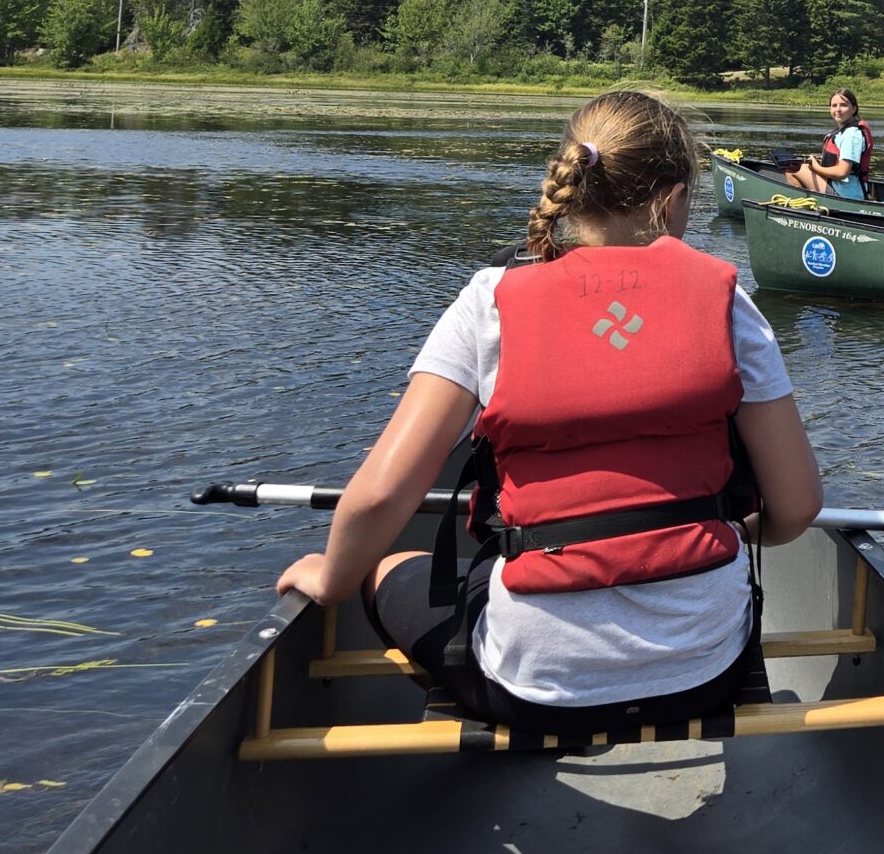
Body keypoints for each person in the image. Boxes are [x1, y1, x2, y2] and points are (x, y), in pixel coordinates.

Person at [273, 90, 824, 732]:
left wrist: (334, 577)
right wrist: (726, 532)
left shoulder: (491, 301)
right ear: (673, 201)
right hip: (706, 672)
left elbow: (376, 500)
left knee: (388, 566)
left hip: (534, 685)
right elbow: (796, 507)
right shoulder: (729, 304)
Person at [785, 88, 871, 199]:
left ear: (853, 109)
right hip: (839, 186)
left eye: (843, 105)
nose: (838, 110)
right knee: (800, 165)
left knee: (793, 170)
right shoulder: (843, 132)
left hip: (846, 194)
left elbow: (842, 172)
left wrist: (816, 168)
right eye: (834, 105)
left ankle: (803, 208)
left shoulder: (851, 135)